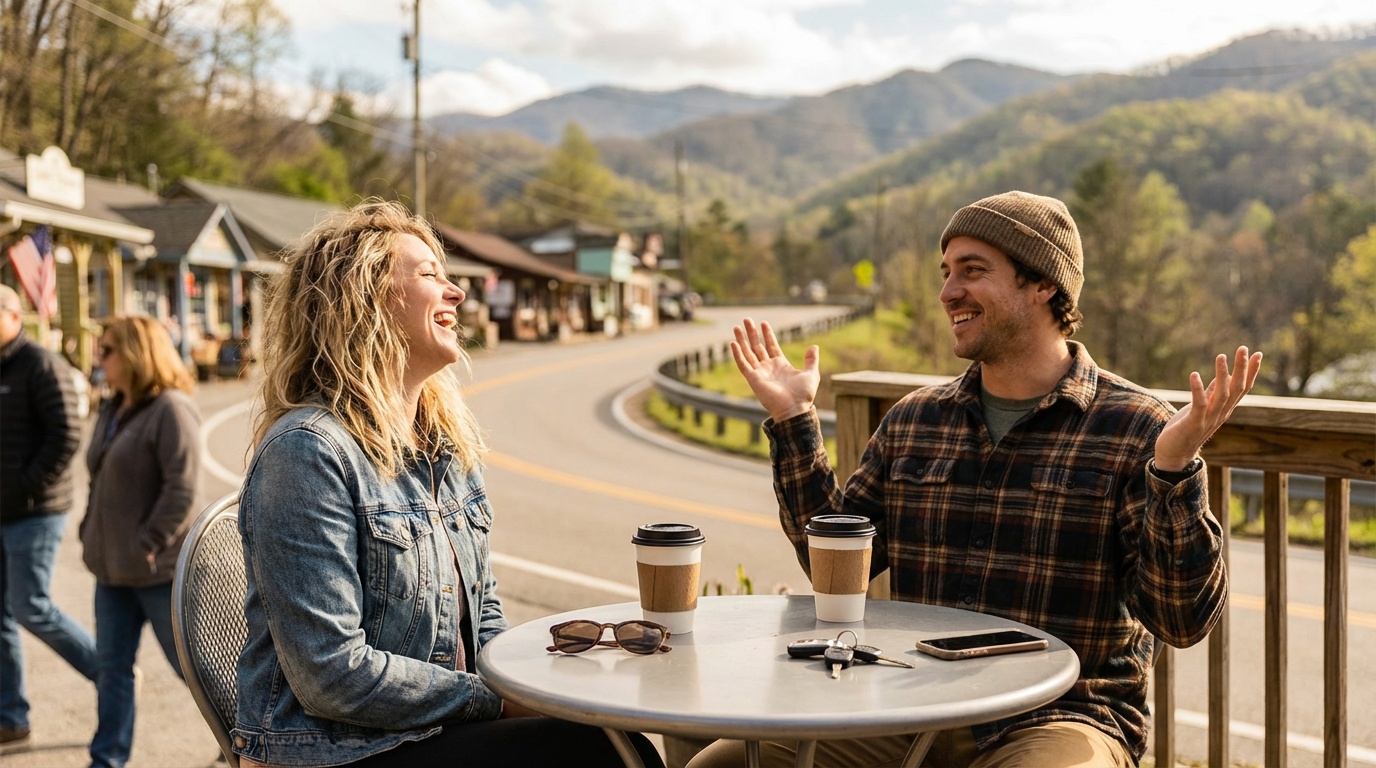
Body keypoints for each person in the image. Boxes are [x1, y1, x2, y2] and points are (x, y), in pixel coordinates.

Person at [700, 191, 1263, 768]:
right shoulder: (916, 420)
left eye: (973, 271)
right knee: (724, 765)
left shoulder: (1133, 427)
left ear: (1043, 284)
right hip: (908, 703)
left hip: (1062, 716)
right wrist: (794, 420)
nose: (947, 292)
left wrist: (1172, 469)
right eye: (946, 273)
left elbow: (1182, 620)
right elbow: (839, 564)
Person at [234, 200, 664, 768]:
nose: (456, 293)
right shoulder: (308, 452)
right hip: (333, 752)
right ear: (365, 301)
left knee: (610, 736)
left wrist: (542, 687)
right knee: (589, 753)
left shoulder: (444, 446)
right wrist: (498, 700)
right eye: (430, 275)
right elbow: (330, 674)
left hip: (428, 732)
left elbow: (483, 617)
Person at [81, 314, 202, 768]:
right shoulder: (112, 407)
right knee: (111, 672)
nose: (100, 357)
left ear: (136, 352)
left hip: (159, 572)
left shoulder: (171, 408)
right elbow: (97, 476)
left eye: (108, 349)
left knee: (195, 671)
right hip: (110, 572)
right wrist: (89, 528)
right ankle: (106, 760)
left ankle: (246, 748)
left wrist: (148, 541)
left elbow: (183, 488)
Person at [0, 284, 98, 753]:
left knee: (30, 607)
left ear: (13, 314)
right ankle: (11, 718)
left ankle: (110, 673)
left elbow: (67, 434)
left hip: (35, 513)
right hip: (4, 512)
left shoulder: (40, 364)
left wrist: (25, 484)